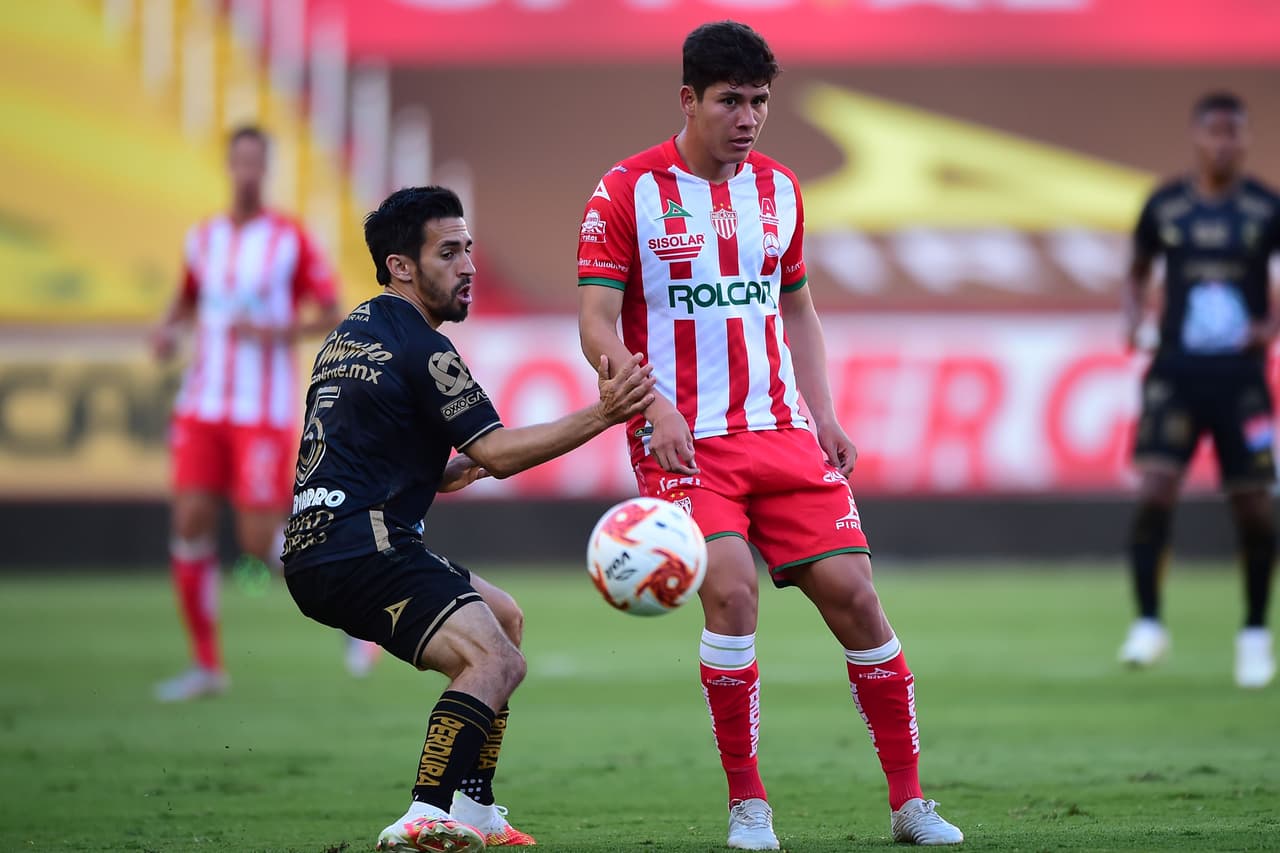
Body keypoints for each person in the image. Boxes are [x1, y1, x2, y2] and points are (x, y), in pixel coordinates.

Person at [576, 21, 963, 849]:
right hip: (686, 444)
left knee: (858, 600)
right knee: (731, 591)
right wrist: (651, 404)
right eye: (730, 101)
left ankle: (910, 803)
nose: (748, 117)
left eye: (759, 101)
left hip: (783, 432)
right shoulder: (625, 191)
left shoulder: (781, 188)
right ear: (689, 99)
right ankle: (749, 804)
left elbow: (797, 307)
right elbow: (596, 323)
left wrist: (825, 413)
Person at [282, 185, 655, 851]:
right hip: (364, 547)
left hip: (317, 545)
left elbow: (362, 444)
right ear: (402, 266)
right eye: (448, 252)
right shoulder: (426, 348)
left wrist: (441, 471)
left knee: (504, 616)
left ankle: (475, 807)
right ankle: (424, 811)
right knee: (496, 661)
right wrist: (604, 414)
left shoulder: (348, 334)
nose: (468, 267)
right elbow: (500, 453)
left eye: (469, 250)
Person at [151, 125, 346, 702]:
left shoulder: (291, 239)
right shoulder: (203, 238)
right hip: (200, 404)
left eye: (257, 162)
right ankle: (206, 664)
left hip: (258, 410)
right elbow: (187, 297)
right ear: (228, 166)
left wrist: (274, 329)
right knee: (189, 524)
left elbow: (332, 313)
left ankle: (355, 609)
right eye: (239, 161)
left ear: (270, 169)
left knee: (261, 542)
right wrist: (167, 329)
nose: (247, 172)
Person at [1118, 91, 1279, 688]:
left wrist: (1270, 327)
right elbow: (1135, 274)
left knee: (1255, 507)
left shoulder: (1265, 208)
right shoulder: (1165, 206)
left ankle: (1255, 633)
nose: (1224, 143)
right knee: (1156, 490)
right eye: (1214, 132)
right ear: (1197, 137)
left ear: (1246, 138)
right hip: (1176, 372)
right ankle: (1148, 624)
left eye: (1234, 132)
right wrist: (1132, 317)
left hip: (1241, 379)